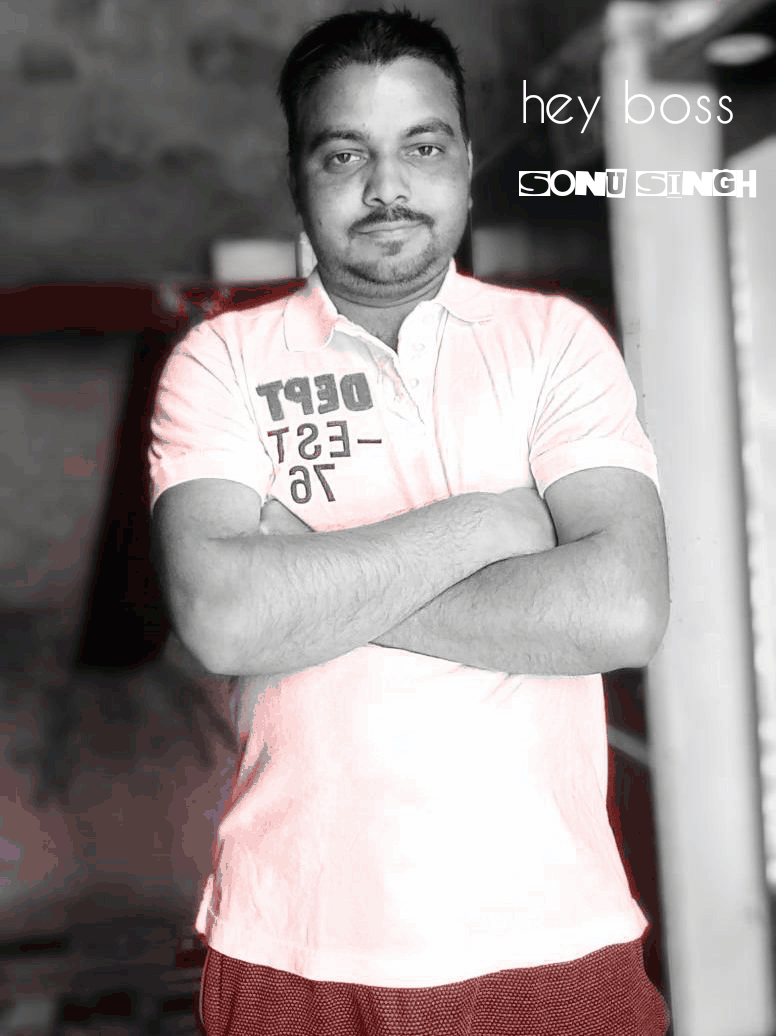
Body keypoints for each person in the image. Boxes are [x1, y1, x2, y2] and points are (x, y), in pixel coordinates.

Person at [148, 8, 671, 1035]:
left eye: (421, 148)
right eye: (345, 153)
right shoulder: (221, 361)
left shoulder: (553, 342)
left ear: (465, 161)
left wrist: (305, 581)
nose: (386, 187)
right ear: (296, 174)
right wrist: (490, 522)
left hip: (552, 935)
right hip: (293, 945)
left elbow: (622, 609)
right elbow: (223, 618)